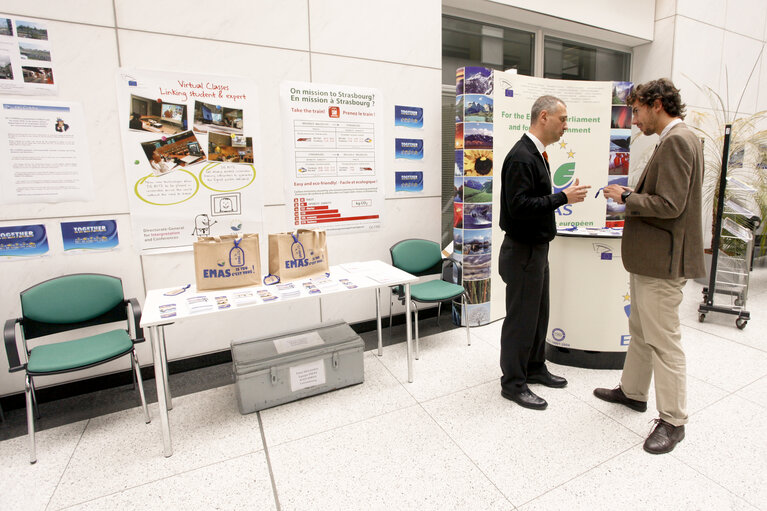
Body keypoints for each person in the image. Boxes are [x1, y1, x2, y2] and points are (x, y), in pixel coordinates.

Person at [595, 78, 704, 454]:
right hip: (651, 259)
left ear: (657, 104)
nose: (634, 120)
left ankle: (673, 421)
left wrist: (628, 197)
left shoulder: (676, 141)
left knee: (663, 341)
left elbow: (670, 205)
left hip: (662, 263)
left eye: (637, 111)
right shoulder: (677, 139)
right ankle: (633, 392)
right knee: (640, 331)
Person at [498, 95, 590, 410]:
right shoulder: (522, 156)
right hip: (522, 251)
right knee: (520, 320)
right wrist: (562, 197)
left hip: (536, 249)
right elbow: (519, 207)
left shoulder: (537, 154)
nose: (566, 125)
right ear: (544, 117)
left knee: (538, 315)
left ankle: (534, 368)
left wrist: (559, 197)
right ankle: (512, 383)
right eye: (563, 119)